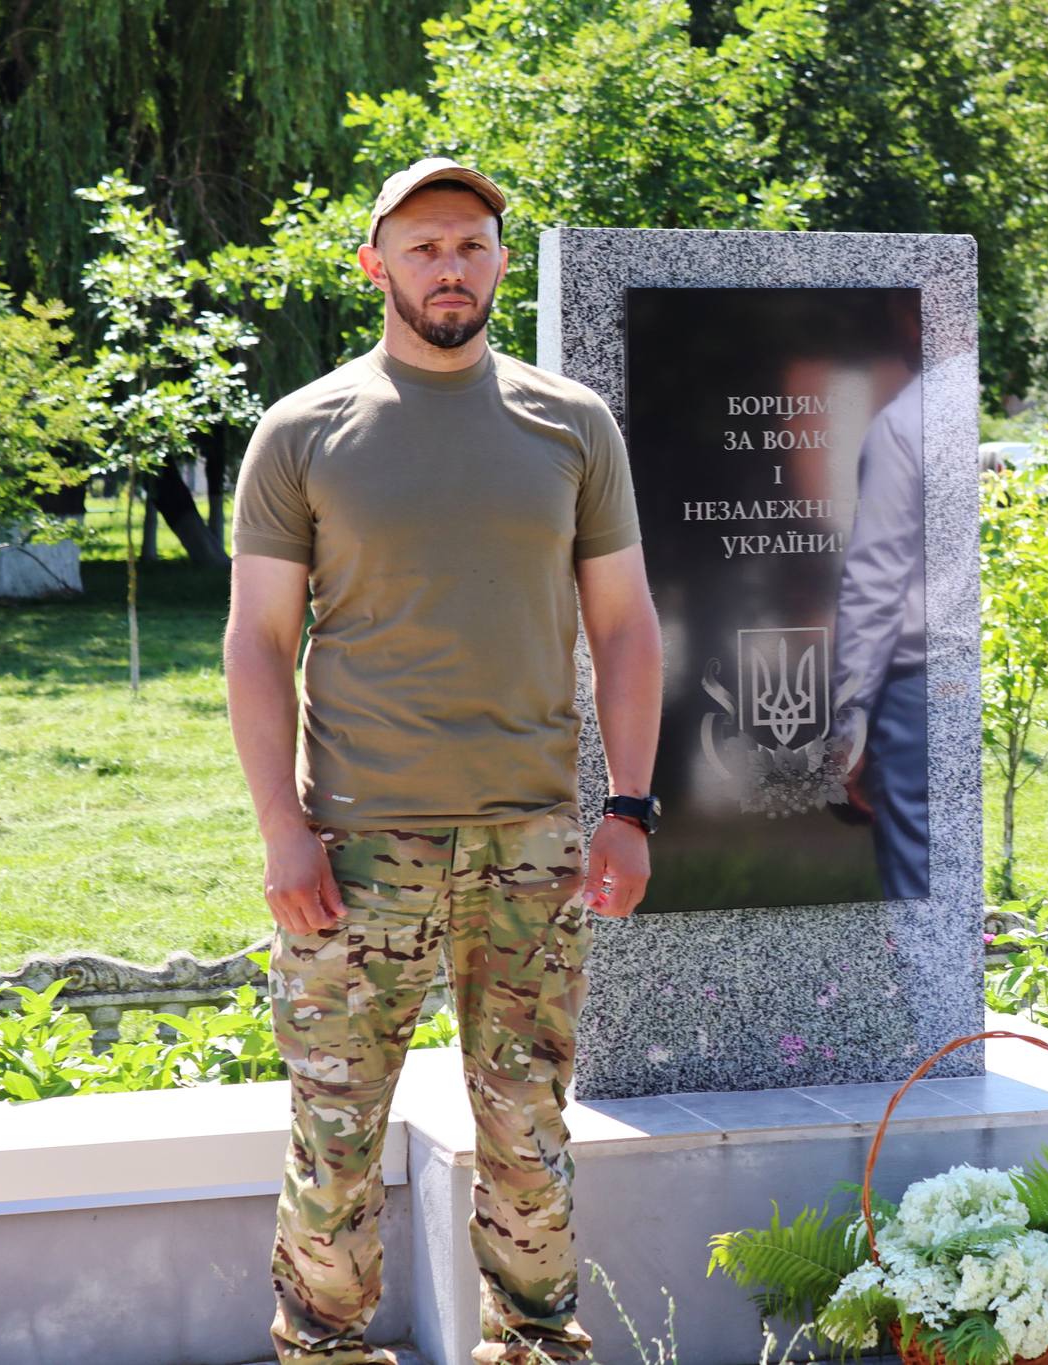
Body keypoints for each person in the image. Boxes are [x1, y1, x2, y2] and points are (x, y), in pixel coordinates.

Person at [224, 155, 664, 1365]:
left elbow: (625, 626)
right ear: (377, 265)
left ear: (500, 263)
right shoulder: (303, 430)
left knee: (530, 1133)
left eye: (470, 245)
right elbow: (258, 643)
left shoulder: (569, 423)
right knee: (336, 1140)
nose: (449, 268)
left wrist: (628, 806)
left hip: (531, 843)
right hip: (356, 850)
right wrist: (282, 829)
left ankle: (534, 1347)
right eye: (423, 248)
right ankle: (323, 1351)